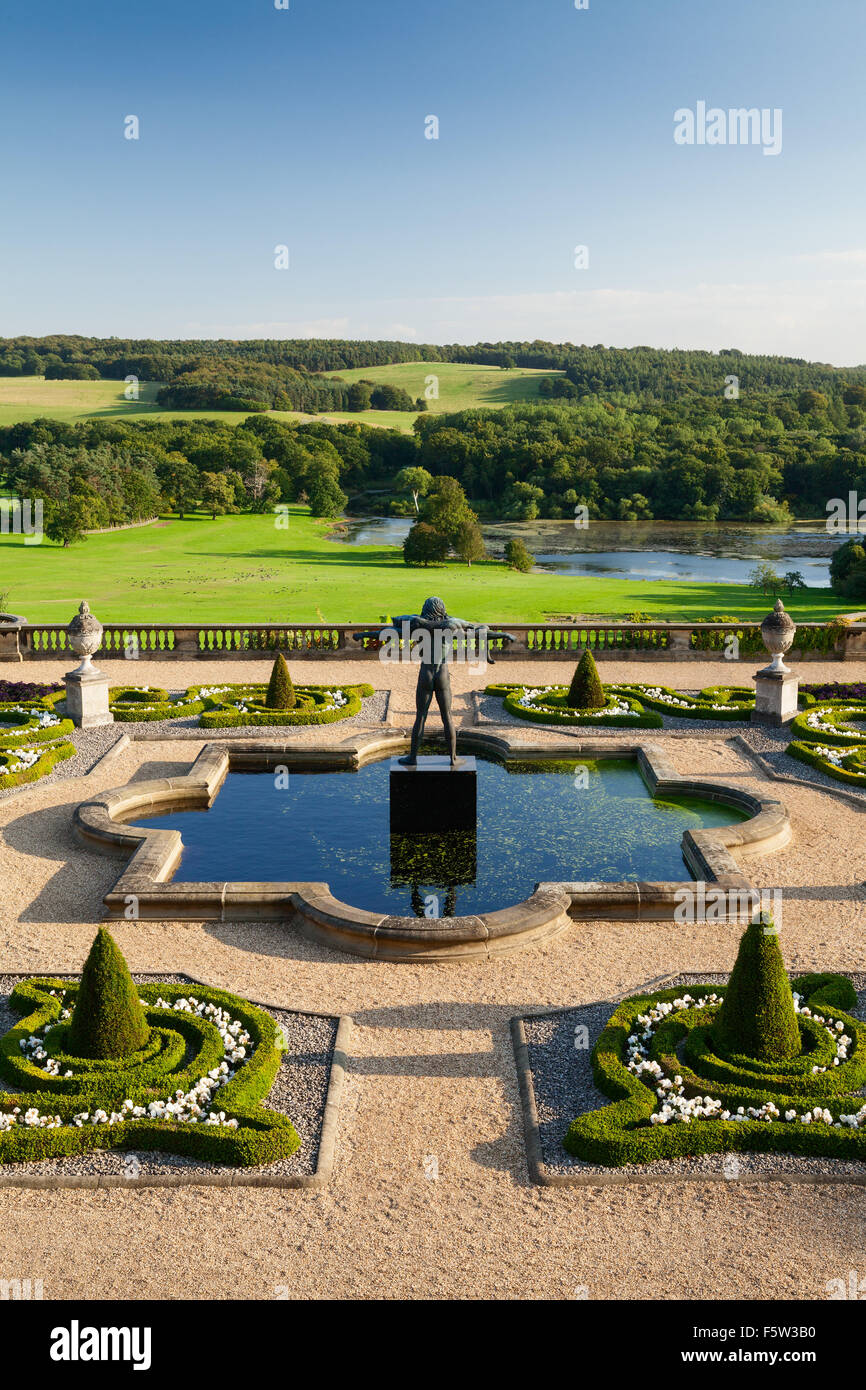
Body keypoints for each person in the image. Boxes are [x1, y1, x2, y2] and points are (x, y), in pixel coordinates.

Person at [354, 596, 516, 765]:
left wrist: (363, 635)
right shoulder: (451, 626)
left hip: (426, 674)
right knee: (447, 717)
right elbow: (479, 633)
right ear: (442, 609)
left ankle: (413, 758)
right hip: (442, 674)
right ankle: (453, 758)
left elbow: (390, 633)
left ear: (426, 609)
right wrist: (504, 634)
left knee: (421, 717)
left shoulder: (417, 626)